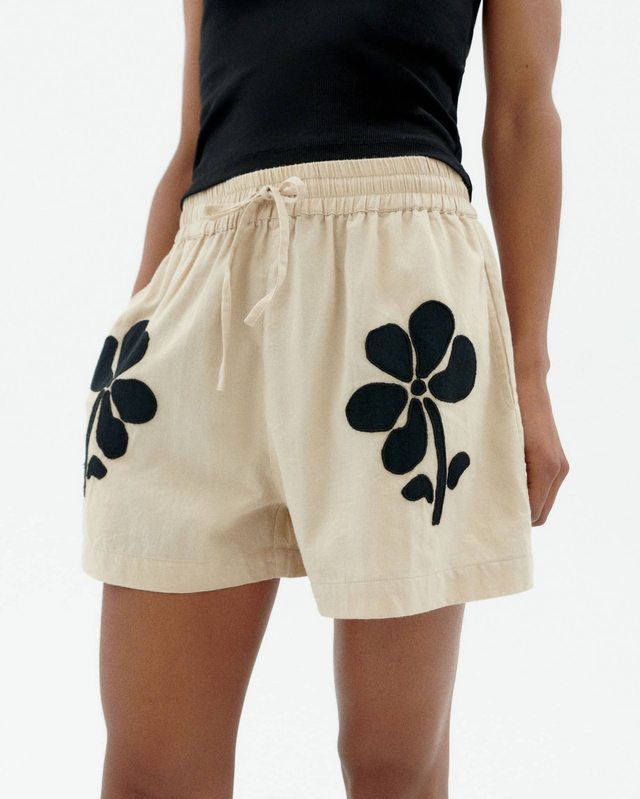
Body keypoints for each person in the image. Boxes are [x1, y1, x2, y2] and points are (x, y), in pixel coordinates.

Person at [82, 1, 569, 796]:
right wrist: (135, 334)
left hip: (400, 304)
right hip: (203, 294)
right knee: (152, 766)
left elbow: (522, 118)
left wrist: (531, 376)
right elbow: (193, 140)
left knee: (390, 760)